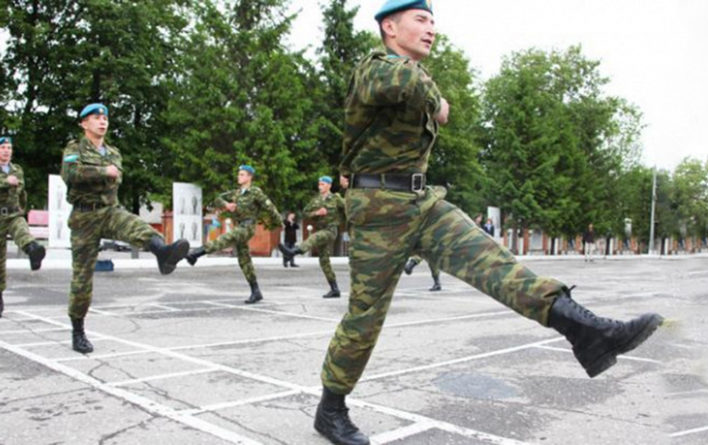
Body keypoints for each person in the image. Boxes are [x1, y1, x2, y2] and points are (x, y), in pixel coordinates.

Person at [310, 3, 663, 444]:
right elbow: (406, 85)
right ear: (389, 26)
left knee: (496, 264)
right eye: (420, 20)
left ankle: (590, 333)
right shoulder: (375, 67)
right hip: (378, 210)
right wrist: (437, 102)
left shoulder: (412, 74)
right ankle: (330, 410)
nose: (431, 29)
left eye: (433, 21)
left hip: (421, 202)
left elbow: (429, 98)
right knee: (364, 317)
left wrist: (437, 102)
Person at [61, 103, 189, 353]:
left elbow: (116, 177)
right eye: (96, 118)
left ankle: (162, 252)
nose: (102, 122)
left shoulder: (113, 152)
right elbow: (71, 174)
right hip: (84, 217)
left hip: (109, 210)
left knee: (135, 225)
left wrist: (98, 174)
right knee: (82, 278)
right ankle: (78, 331)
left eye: (105, 118)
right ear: (84, 123)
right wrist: (103, 171)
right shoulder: (74, 149)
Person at [184, 165, 282, 304]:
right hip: (240, 225)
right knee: (244, 259)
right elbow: (218, 198)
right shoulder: (236, 193)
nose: (239, 176)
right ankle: (256, 291)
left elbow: (270, 207)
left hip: (248, 227)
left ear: (249, 177)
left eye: (242, 174)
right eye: (239, 174)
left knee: (226, 238)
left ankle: (195, 254)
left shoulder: (255, 192)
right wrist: (226, 205)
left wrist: (280, 223)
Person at [0, 136, 47, 318]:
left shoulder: (17, 169)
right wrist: (6, 182)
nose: (6, 151)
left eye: (9, 148)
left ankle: (33, 250)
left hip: (12, 213)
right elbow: (10, 184)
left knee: (21, 229)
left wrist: (22, 209)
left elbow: (22, 192)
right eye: (3, 147)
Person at [279, 176, 346, 299]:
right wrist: (316, 213)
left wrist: (346, 222)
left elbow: (348, 209)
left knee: (313, 238)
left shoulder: (336, 198)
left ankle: (294, 251)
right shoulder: (316, 200)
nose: (320, 187)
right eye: (319, 184)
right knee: (324, 261)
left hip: (330, 230)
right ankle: (335, 289)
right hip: (320, 229)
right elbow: (305, 213)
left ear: (329, 185)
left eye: (323, 184)